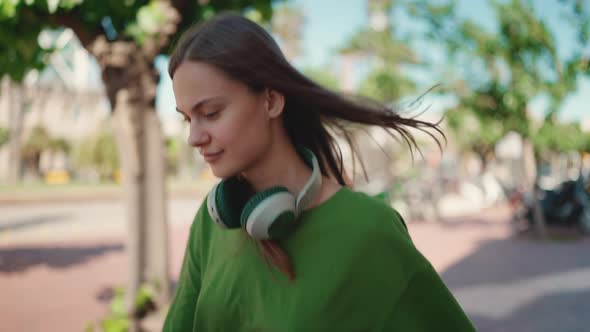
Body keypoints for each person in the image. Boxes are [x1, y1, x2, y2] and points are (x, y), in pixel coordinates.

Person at [163, 13, 475, 332]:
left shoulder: (370, 231)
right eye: (188, 119)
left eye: (211, 113)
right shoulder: (210, 223)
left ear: (270, 100)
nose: (194, 137)